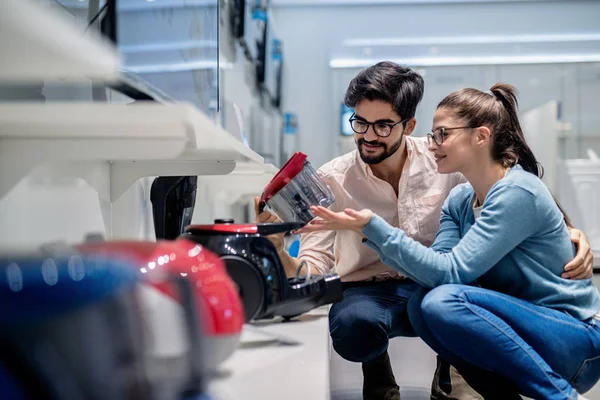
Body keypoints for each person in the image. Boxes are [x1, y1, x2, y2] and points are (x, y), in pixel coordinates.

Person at [255, 62, 595, 400]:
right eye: (360, 122)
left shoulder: (449, 164)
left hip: (441, 284)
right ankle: (382, 378)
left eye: (384, 125)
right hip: (375, 289)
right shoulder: (336, 179)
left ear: (408, 125)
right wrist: (279, 251)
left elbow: (513, 199)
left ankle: (467, 382)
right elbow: (314, 266)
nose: (369, 135)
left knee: (440, 301)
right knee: (364, 322)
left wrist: (569, 230)